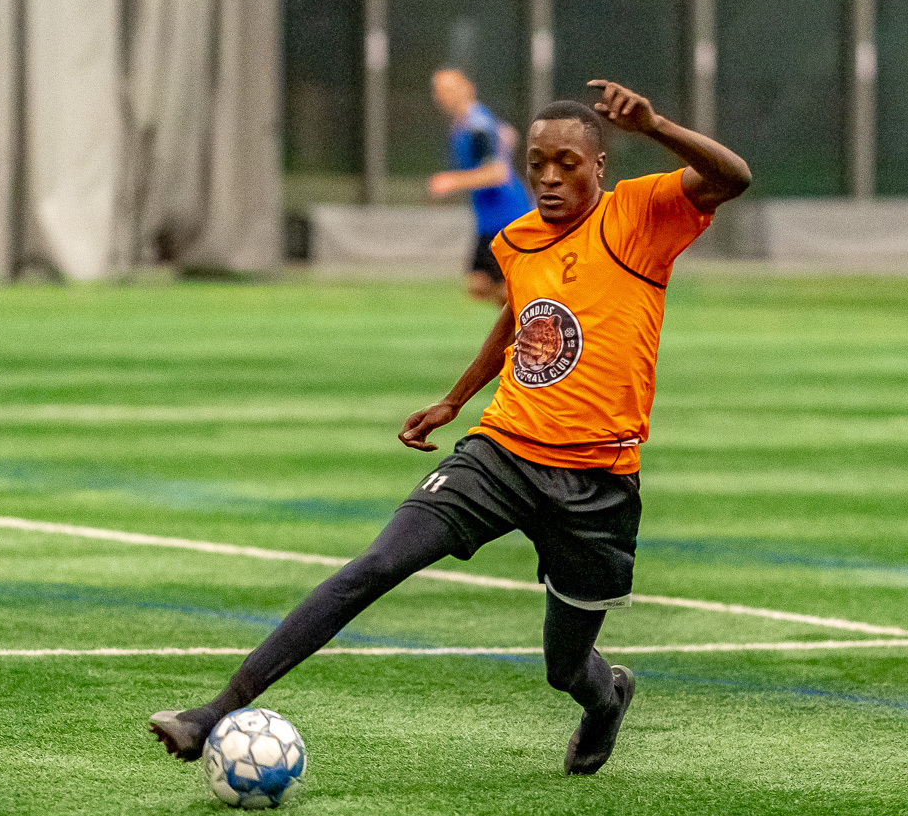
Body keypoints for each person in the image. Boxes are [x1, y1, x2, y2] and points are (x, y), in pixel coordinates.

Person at [152, 79, 749, 776]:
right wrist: (456, 398)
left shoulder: (641, 216)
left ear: (599, 167)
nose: (550, 177)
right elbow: (520, 318)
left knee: (565, 667)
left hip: (596, 482)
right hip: (501, 452)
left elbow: (731, 176)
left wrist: (658, 126)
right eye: (537, 163)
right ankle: (213, 711)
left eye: (568, 163)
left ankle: (606, 698)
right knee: (376, 566)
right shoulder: (518, 239)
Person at [428, 69, 533, 306]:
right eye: (439, 90)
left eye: (449, 89)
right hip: (487, 220)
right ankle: (517, 334)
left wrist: (451, 181)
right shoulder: (465, 124)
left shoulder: (477, 125)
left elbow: (497, 173)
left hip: (507, 216)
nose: (442, 95)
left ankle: (524, 335)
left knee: (505, 292)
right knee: (482, 287)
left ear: (468, 88)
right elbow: (504, 139)